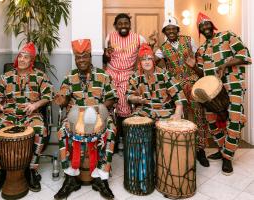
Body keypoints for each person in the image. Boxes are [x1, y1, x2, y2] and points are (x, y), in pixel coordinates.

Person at [0, 42, 54, 196]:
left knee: (40, 130)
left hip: (31, 114)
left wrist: (36, 104)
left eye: (26, 57)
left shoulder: (39, 75)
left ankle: (32, 171)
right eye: (20, 56)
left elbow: (49, 95)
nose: (22, 59)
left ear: (32, 61)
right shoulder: (6, 76)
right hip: (8, 114)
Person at [54, 39, 117, 200]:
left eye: (84, 56)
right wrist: (62, 100)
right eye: (78, 57)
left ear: (90, 56)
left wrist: (99, 109)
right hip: (75, 115)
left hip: (98, 113)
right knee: (61, 131)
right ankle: (70, 178)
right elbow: (64, 97)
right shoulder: (70, 76)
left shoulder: (103, 75)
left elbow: (112, 98)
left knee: (111, 130)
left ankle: (101, 179)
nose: (81, 60)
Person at [192, 12, 252, 175]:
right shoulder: (201, 49)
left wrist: (225, 65)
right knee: (212, 120)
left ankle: (227, 157)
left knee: (234, 119)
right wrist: (192, 66)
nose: (205, 27)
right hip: (213, 92)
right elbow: (201, 72)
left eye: (207, 24)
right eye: (201, 26)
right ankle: (222, 148)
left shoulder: (227, 36)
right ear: (199, 30)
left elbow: (244, 55)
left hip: (233, 85)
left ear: (212, 25)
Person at [153, 16, 210, 167]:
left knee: (199, 115)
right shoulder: (162, 48)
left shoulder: (189, 40)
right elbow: (151, 62)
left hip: (193, 83)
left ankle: (200, 150)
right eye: (168, 29)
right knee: (180, 117)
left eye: (173, 29)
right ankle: (184, 147)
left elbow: (201, 56)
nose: (171, 31)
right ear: (164, 32)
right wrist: (150, 45)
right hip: (176, 87)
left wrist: (198, 69)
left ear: (178, 30)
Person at [103, 13, 146, 152]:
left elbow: (147, 55)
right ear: (115, 25)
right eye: (120, 23)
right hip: (110, 74)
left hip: (127, 76)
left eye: (126, 23)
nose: (123, 26)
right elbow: (105, 59)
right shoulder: (109, 37)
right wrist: (106, 54)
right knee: (108, 105)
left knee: (124, 106)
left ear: (129, 25)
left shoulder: (139, 38)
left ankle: (123, 139)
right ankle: (111, 140)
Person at [127, 43, 187, 121]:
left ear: (153, 61)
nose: (147, 62)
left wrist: (178, 114)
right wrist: (135, 99)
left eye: (149, 59)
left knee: (171, 126)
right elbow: (128, 95)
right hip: (144, 111)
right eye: (143, 59)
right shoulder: (135, 77)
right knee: (133, 124)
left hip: (165, 110)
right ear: (140, 63)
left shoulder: (164, 74)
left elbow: (178, 93)